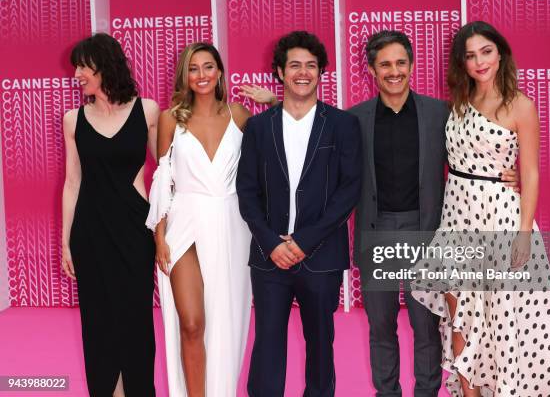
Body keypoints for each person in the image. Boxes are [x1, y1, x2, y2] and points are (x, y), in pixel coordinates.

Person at [412, 21, 550, 396]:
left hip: (500, 219)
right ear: (462, 62)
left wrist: (523, 234)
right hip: (457, 219)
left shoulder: (520, 105)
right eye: (470, 56)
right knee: (460, 320)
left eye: (486, 51)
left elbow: (531, 173)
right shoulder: (458, 102)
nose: (479, 62)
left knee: (504, 321)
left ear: (500, 52)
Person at [349, 30, 519, 397]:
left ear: (411, 65)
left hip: (426, 233)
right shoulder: (355, 119)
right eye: (385, 65)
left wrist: (508, 172)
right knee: (380, 327)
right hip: (376, 233)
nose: (394, 71)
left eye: (400, 63)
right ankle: (387, 393)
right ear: (371, 70)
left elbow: (477, 148)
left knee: (426, 326)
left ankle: (426, 393)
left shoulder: (440, 113)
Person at [145, 42, 276, 397]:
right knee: (190, 323)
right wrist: (159, 237)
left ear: (219, 72)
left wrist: (272, 103)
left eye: (208, 67)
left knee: (224, 320)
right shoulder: (172, 118)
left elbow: (283, 135)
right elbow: (162, 179)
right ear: (184, 76)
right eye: (193, 68)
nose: (201, 75)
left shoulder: (239, 115)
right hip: (182, 223)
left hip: (231, 225)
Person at [236, 31, 362, 397]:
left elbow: (348, 189)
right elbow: (247, 192)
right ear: (279, 71)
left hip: (320, 254)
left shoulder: (342, 124)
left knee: (321, 345)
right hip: (268, 254)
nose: (303, 73)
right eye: (294, 65)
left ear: (321, 72)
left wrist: (305, 240)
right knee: (268, 345)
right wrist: (271, 242)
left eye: (311, 66)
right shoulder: (259, 127)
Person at [61, 33, 160, 396]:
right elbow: (72, 183)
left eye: (83, 66)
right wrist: (66, 244)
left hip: (135, 231)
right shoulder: (73, 120)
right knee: (99, 321)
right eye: (76, 67)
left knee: (135, 319)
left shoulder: (146, 110)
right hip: (90, 232)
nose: (76, 74)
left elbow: (165, 172)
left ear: (105, 66)